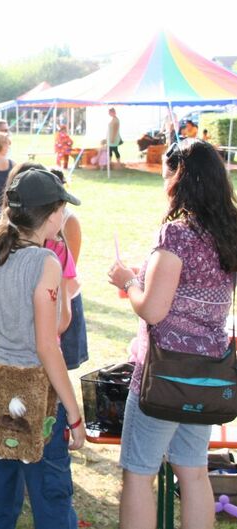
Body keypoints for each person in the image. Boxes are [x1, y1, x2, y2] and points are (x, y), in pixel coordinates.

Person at [107, 139, 237, 529]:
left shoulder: (177, 235)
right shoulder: (228, 231)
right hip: (209, 375)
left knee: (138, 473)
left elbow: (153, 309)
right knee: (193, 471)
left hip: (164, 375)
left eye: (167, 174)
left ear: (180, 176)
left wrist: (128, 281)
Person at [0, 168, 85, 529]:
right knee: (50, 495)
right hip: (38, 397)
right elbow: (47, 346)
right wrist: (74, 413)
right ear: (50, 214)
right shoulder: (45, 262)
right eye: (62, 209)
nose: (64, 216)